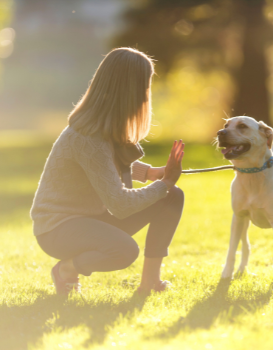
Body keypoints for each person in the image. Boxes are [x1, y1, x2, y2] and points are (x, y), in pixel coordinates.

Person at [30, 47, 185, 295]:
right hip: (58, 228)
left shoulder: (103, 129)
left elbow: (102, 167)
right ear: (131, 91)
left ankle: (149, 283)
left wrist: (152, 175)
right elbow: (120, 204)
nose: (147, 95)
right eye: (145, 86)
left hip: (90, 217)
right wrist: (163, 184)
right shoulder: (88, 137)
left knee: (172, 196)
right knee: (124, 251)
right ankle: (66, 270)